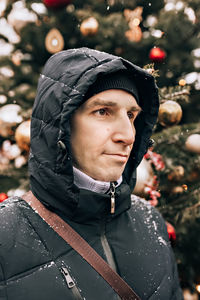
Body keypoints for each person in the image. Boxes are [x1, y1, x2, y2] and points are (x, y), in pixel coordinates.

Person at [0, 47, 183, 300]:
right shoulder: (5, 234)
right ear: (61, 124)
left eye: (131, 115)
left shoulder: (150, 222)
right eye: (103, 111)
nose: (128, 135)